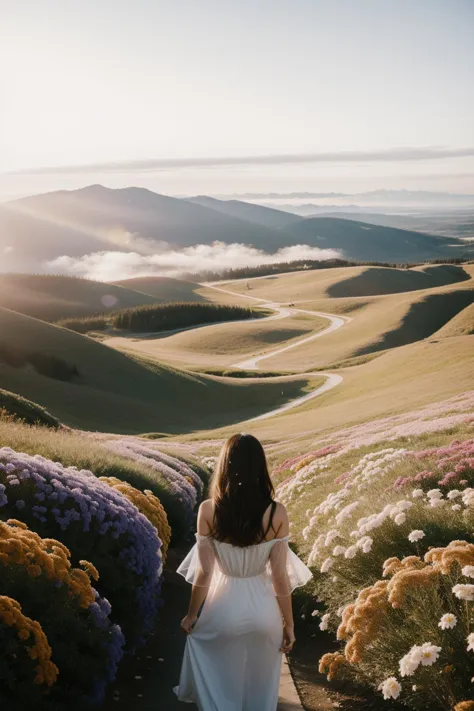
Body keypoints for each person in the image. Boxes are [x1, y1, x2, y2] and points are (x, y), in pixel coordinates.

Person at [174, 433, 312, 711]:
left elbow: (204, 574)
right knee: (260, 686)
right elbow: (280, 578)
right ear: (261, 467)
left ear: (225, 466)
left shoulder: (208, 511)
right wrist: (289, 624)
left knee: (219, 675)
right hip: (264, 614)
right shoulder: (277, 513)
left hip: (222, 610)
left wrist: (191, 615)